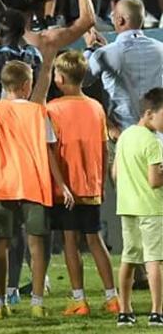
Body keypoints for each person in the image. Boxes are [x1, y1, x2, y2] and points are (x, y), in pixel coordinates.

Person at [0, 54, 73, 320]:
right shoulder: (38, 112)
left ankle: (0, 303)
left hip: (3, 185)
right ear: (26, 85)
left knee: (0, 244)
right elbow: (49, 152)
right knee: (37, 244)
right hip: (35, 184)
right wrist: (62, 185)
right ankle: (37, 302)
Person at [45, 50, 119, 317]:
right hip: (91, 185)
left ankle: (79, 299)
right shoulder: (96, 107)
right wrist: (101, 182)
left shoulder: (52, 109)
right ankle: (112, 297)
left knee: (70, 240)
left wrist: (60, 184)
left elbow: (50, 150)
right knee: (95, 238)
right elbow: (104, 148)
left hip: (66, 187)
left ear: (60, 78)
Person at [113, 88, 163, 327]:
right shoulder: (153, 142)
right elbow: (154, 180)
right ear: (150, 113)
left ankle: (124, 311)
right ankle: (157, 312)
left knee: (129, 258)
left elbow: (115, 172)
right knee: (155, 260)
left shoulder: (125, 136)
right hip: (151, 208)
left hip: (127, 206)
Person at [85, 0, 163, 132]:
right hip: (157, 134)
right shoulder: (160, 48)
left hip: (123, 134)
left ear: (120, 20)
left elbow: (82, 80)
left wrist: (90, 49)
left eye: (113, 15)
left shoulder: (105, 54)